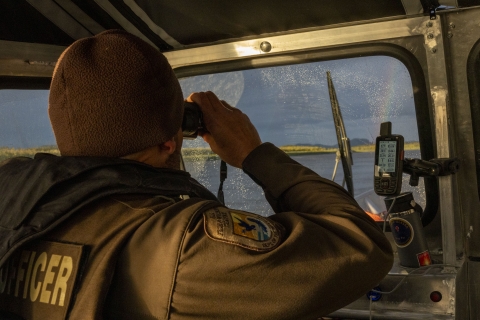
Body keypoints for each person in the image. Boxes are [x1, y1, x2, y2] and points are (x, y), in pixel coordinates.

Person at [0, 30, 393, 320]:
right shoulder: (181, 244)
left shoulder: (13, 206)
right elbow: (363, 246)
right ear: (172, 140)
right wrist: (253, 153)